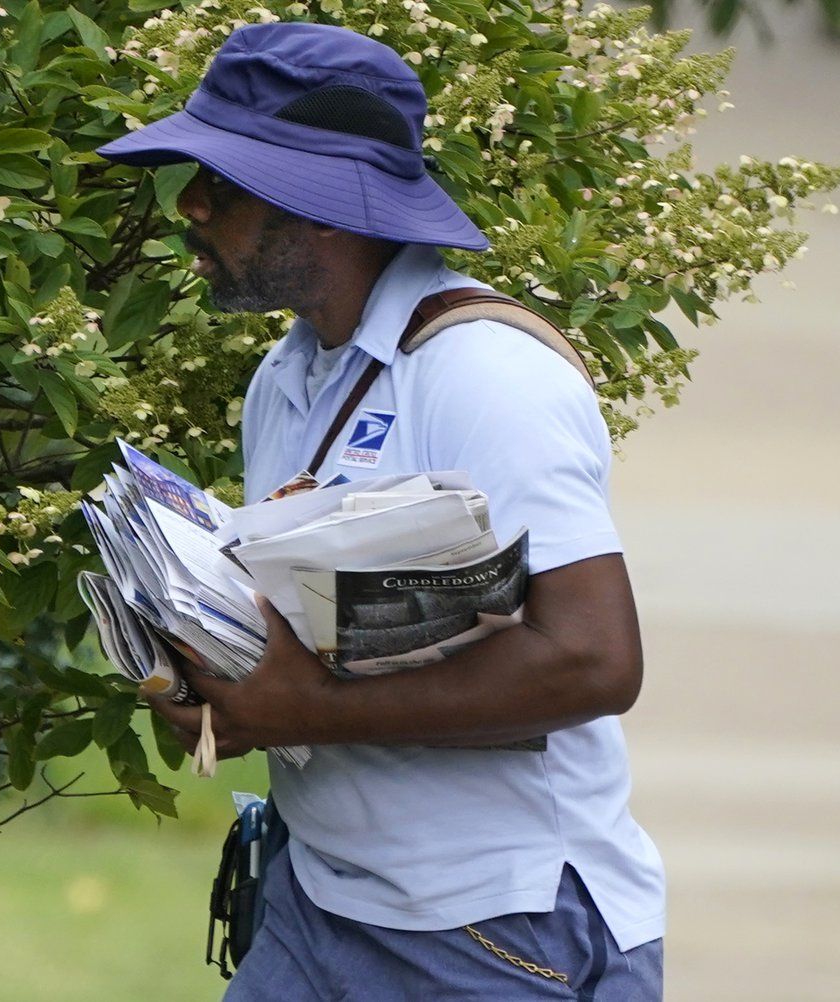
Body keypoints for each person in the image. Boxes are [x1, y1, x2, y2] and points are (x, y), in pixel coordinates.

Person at [95, 21, 665, 1001]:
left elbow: (594, 659)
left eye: (220, 185)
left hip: (489, 928)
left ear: (324, 207)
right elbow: (301, 624)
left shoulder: (486, 376)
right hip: (316, 904)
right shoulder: (286, 378)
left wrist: (303, 709)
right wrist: (205, 686)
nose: (188, 206)